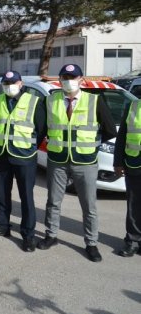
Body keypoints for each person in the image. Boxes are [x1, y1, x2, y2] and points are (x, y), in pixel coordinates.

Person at [38, 64, 117, 262]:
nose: (68, 80)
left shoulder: (94, 101)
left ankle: (91, 243)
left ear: (81, 79)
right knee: (53, 202)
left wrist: (92, 146)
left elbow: (109, 130)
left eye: (72, 77)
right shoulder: (50, 100)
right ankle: (51, 235)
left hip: (86, 161)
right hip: (58, 160)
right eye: (65, 76)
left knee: (89, 206)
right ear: (60, 79)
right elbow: (41, 128)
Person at [0, 71, 46, 252]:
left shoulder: (34, 102)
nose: (9, 85)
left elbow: (41, 129)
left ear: (20, 83)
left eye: (12, 82)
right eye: (6, 83)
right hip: (2, 155)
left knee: (26, 197)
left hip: (24, 156)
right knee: (2, 194)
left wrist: (28, 147)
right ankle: (3, 226)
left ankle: (28, 235)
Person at [114, 98, 141, 257]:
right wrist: (118, 162)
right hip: (134, 163)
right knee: (134, 206)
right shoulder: (133, 106)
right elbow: (122, 135)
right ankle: (132, 241)